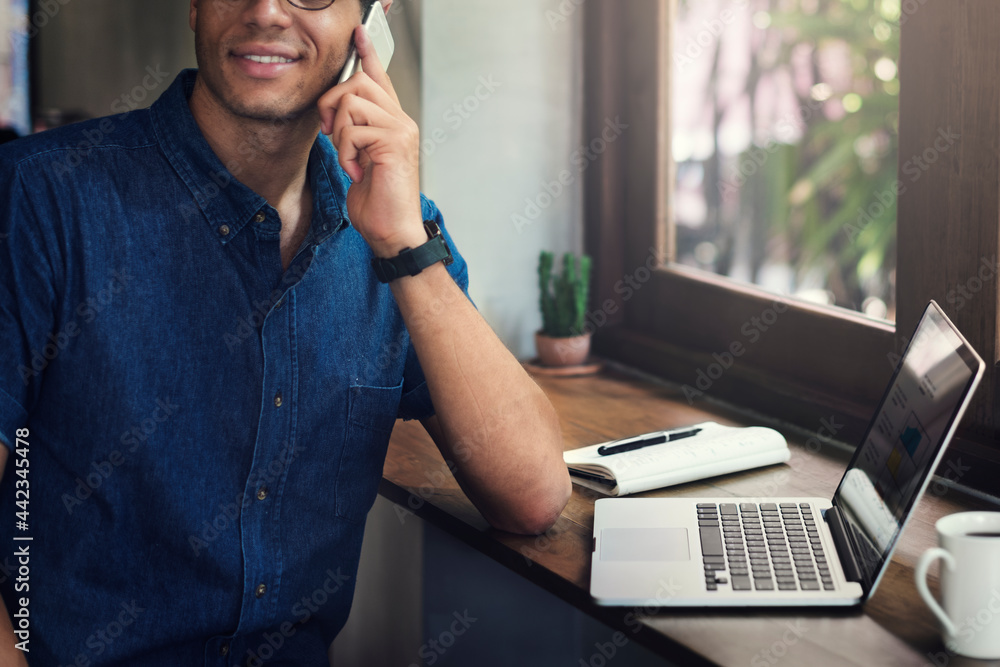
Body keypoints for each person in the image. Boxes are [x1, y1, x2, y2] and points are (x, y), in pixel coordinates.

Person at [0, 0, 571, 664]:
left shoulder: (394, 229)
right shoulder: (37, 199)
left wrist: (402, 245)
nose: (267, 10)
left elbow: (531, 495)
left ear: (369, 26)